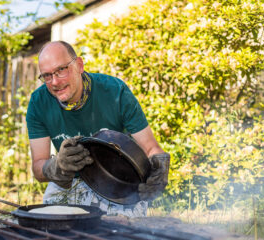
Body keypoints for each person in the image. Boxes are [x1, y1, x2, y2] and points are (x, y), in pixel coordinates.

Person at [26, 40, 170, 217]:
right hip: (72, 181)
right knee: (50, 222)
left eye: (61, 70)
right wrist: (56, 166)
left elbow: (150, 148)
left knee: (124, 230)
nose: (55, 82)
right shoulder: (38, 103)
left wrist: (160, 166)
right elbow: (38, 168)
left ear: (79, 65)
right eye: (47, 75)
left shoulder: (115, 92)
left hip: (118, 181)